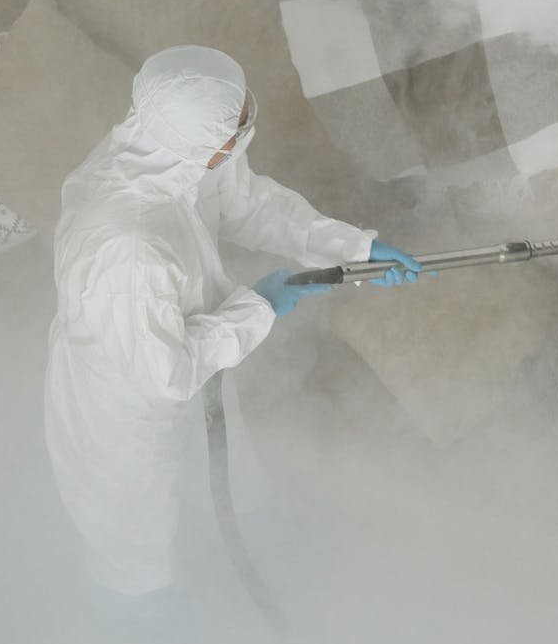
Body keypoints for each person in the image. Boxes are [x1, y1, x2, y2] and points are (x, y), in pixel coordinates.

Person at [45, 45, 421, 598]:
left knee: (224, 456)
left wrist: (352, 247)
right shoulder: (129, 248)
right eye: (238, 126)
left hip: (196, 358)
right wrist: (260, 306)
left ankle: (255, 529)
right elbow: (164, 377)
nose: (248, 130)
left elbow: (248, 205)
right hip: (127, 407)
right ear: (204, 142)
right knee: (132, 520)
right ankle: (140, 609)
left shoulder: (177, 151)